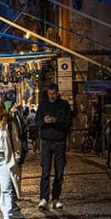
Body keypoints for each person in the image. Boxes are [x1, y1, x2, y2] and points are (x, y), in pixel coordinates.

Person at [35, 83, 72, 211]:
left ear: (57, 92)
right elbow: (37, 122)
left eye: (54, 93)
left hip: (59, 143)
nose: (52, 96)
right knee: (45, 171)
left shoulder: (64, 105)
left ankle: (56, 198)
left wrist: (57, 121)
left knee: (59, 172)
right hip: (46, 142)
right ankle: (44, 198)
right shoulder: (43, 105)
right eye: (50, 94)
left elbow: (69, 123)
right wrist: (44, 121)